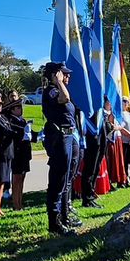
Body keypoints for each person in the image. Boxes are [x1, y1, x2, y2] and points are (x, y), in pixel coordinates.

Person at [41, 62, 80, 234]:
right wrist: (58, 82)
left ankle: (64, 216)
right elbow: (65, 99)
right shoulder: (51, 90)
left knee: (67, 179)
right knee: (58, 179)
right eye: (64, 73)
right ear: (54, 75)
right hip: (59, 137)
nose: (67, 76)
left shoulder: (59, 88)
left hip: (69, 136)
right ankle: (54, 222)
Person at [0, 92, 25, 218]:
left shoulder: (2, 117)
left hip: (8, 152)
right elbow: (5, 131)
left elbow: (12, 127)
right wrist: (21, 133)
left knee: (2, 181)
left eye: (0, 104)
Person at [9, 92, 36, 211]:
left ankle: (20, 202)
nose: (21, 109)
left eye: (21, 107)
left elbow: (30, 135)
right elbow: (17, 134)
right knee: (17, 179)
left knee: (22, 178)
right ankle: (16, 203)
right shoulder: (11, 121)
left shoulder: (23, 120)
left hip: (25, 153)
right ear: (12, 110)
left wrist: (39, 135)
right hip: (17, 153)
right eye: (18, 107)